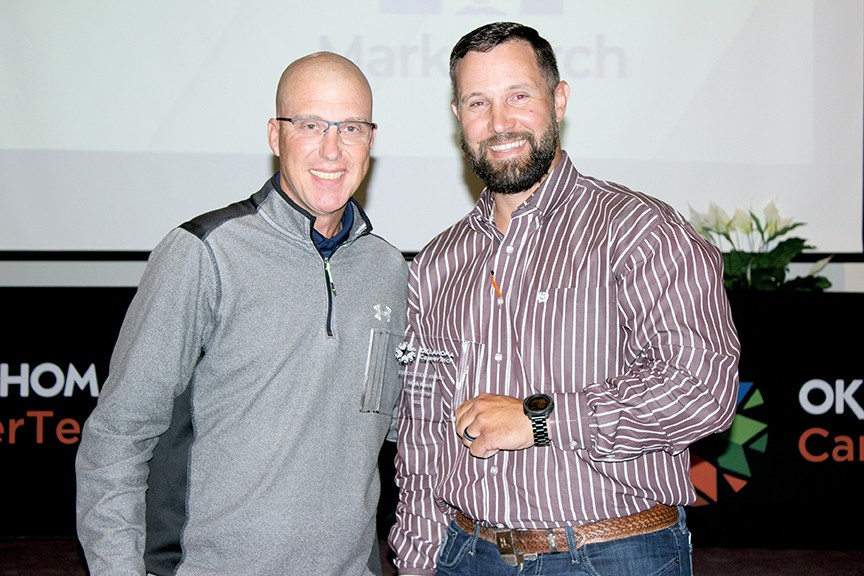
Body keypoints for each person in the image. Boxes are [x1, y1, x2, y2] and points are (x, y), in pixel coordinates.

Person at [387, 22, 740, 576]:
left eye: (518, 96)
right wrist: (417, 559)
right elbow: (425, 431)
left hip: (614, 554)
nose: (499, 122)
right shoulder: (436, 263)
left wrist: (539, 420)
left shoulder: (639, 230)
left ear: (559, 100)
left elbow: (702, 390)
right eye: (478, 102)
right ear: (458, 116)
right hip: (466, 555)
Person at [76, 51, 408, 576]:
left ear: (371, 140)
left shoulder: (389, 269)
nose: (332, 148)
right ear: (276, 135)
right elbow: (117, 435)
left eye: (351, 127)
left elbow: (406, 429)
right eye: (310, 124)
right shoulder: (203, 253)